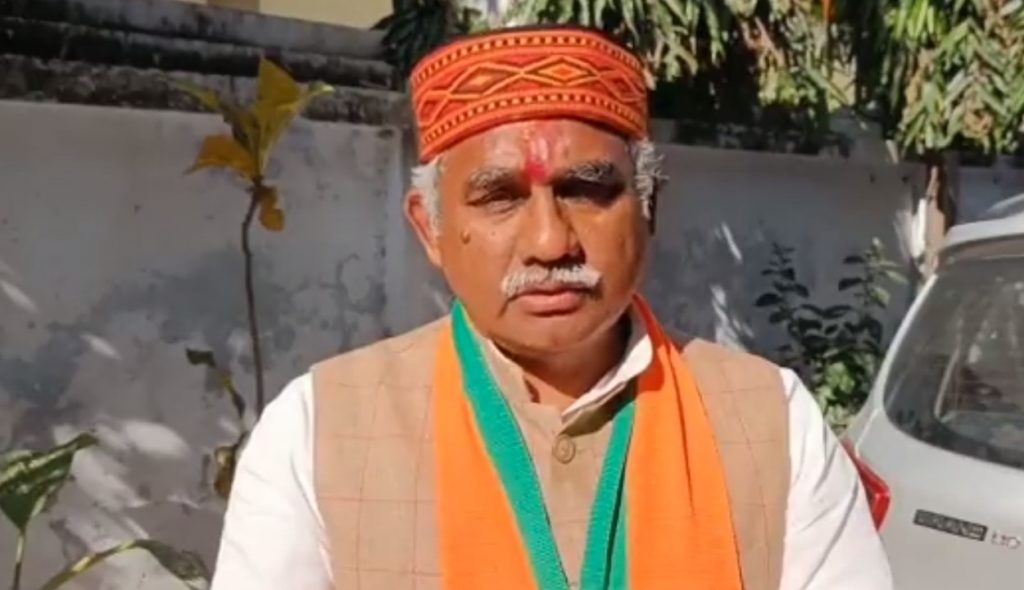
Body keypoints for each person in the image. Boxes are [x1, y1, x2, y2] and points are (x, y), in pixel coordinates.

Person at [210, 25, 893, 590]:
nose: (550, 242)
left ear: (649, 208)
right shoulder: (317, 431)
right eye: (499, 197)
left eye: (587, 190)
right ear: (430, 228)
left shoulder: (771, 419)